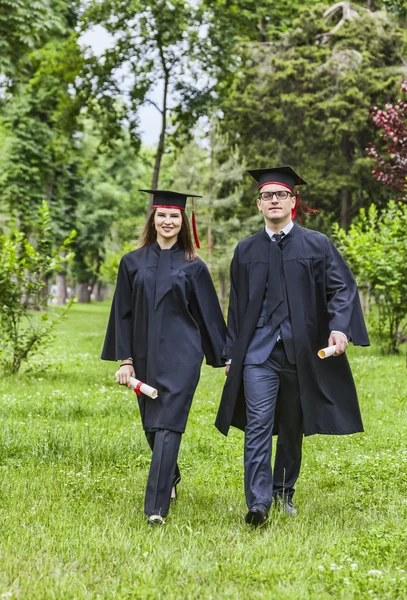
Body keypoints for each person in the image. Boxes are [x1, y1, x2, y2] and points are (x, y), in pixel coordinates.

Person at [215, 166, 369, 526]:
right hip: (257, 353)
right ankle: (258, 502)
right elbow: (236, 306)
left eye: (280, 195)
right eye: (267, 196)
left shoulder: (317, 245)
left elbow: (342, 289)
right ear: (259, 204)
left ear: (293, 201)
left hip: (301, 352)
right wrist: (231, 352)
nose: (274, 201)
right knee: (257, 424)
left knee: (291, 424)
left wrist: (340, 329)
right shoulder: (246, 250)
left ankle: (283, 491)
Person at [102, 190, 226, 526]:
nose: (168, 222)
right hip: (143, 356)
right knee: (152, 425)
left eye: (174, 216)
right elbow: (122, 314)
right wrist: (125, 360)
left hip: (183, 355)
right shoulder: (132, 262)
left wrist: (225, 356)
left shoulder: (193, 266)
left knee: (169, 424)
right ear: (153, 220)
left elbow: (209, 316)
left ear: (183, 221)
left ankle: (156, 508)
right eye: (162, 216)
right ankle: (169, 474)